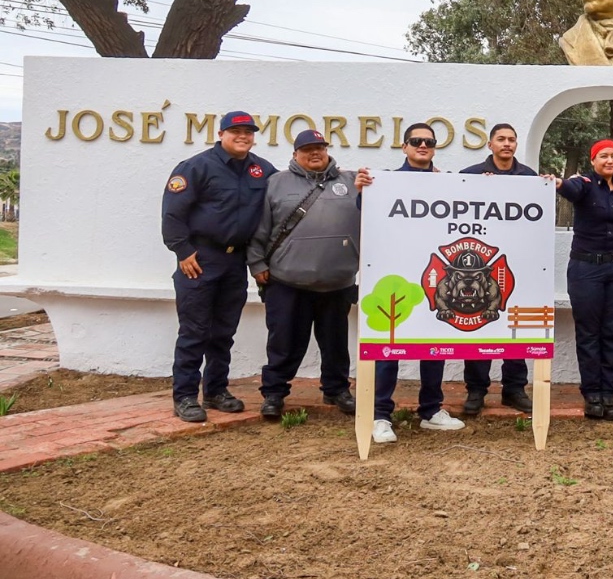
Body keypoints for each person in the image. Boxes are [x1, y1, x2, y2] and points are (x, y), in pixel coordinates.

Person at [161, 111, 277, 423]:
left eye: (249, 132)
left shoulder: (261, 170)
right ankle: (185, 396)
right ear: (221, 133)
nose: (243, 136)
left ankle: (215, 390)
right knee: (194, 331)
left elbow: (287, 193)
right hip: (199, 260)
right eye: (236, 131)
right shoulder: (196, 167)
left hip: (235, 261)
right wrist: (183, 251)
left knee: (223, 332)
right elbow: (173, 214)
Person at [355, 123, 465, 442]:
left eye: (429, 142)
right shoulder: (384, 181)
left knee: (434, 343)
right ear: (404, 147)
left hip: (434, 274)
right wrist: (362, 191)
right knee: (389, 343)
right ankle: (380, 415)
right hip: (396, 273)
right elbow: (366, 213)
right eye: (416, 141)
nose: (423, 145)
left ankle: (431, 410)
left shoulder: (447, 183)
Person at [247, 130, 362, 418]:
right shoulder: (276, 183)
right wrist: (257, 264)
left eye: (320, 148)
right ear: (295, 154)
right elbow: (259, 227)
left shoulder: (353, 181)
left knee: (336, 345)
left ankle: (336, 390)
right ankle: (274, 394)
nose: (315, 153)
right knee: (284, 343)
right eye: (308, 149)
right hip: (288, 282)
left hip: (337, 282)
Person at [557, 139, 613, 421]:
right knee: (588, 333)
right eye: (603, 156)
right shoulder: (583, 185)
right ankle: (591, 394)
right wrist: (558, 183)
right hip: (586, 270)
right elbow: (569, 190)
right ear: (593, 160)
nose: (609, 160)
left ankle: (609, 393)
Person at [458, 122, 539, 416]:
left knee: (514, 328)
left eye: (511, 140)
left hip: (516, 265)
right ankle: (476, 390)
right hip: (476, 267)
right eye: (501, 139)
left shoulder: (530, 178)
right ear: (490, 144)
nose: (507, 144)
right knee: (478, 327)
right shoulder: (469, 177)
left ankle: (514, 389)